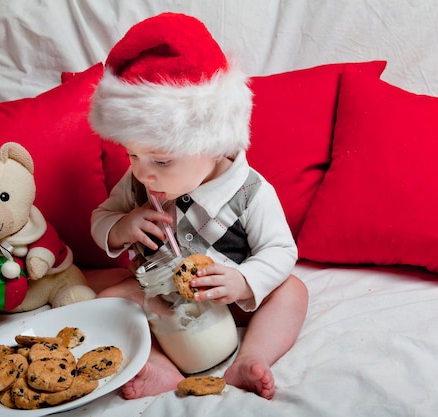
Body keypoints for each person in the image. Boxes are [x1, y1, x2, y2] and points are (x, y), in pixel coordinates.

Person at [89, 12, 308, 400]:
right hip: (162, 303)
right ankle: (160, 367)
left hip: (232, 301)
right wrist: (121, 227)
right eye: (131, 155)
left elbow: (281, 249)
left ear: (211, 143)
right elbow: (101, 218)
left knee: (292, 291)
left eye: (160, 160)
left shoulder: (249, 191)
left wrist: (244, 282)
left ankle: (251, 358)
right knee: (110, 302)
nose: (143, 172)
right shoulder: (141, 184)